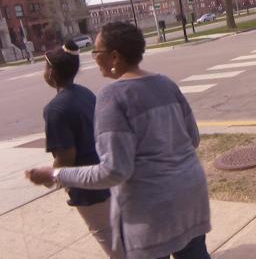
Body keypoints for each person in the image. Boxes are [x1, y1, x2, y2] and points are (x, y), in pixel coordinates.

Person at [27, 22, 211, 259]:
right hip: (191, 192)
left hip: (153, 208)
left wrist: (56, 175)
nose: (93, 57)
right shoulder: (166, 83)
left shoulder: (112, 96)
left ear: (114, 57)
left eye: (97, 52)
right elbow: (192, 139)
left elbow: (114, 171)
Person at [40, 39, 113, 257]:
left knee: (114, 245)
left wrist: (50, 176)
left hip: (88, 188)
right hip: (107, 176)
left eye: (45, 68)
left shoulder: (55, 110)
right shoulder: (85, 93)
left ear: (52, 73)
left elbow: (65, 157)